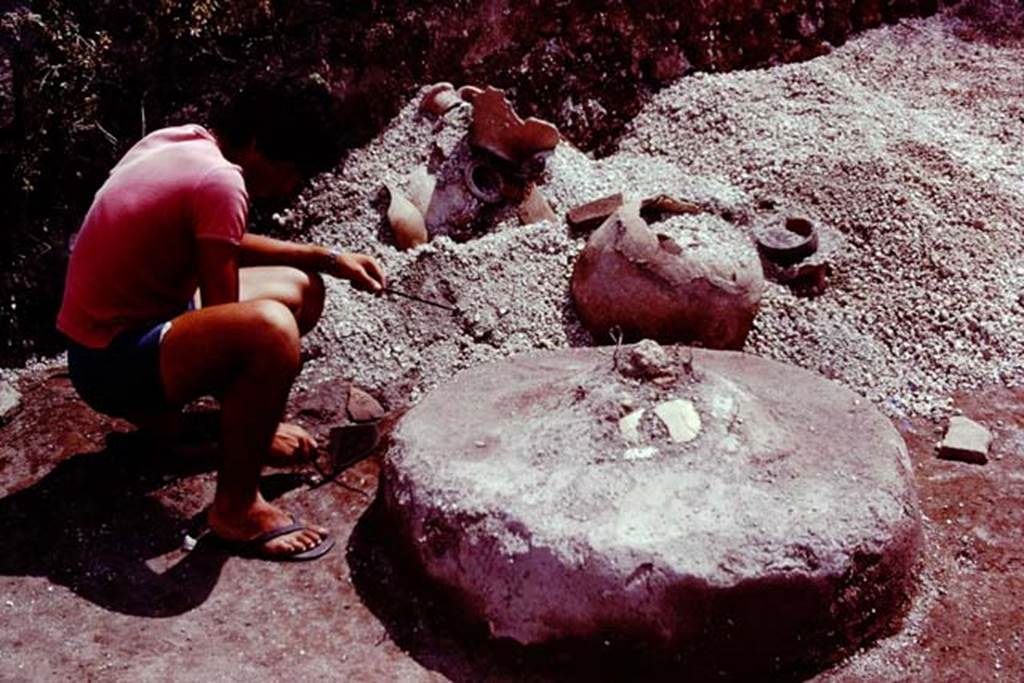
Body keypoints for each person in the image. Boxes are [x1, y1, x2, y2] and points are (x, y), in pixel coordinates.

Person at [56, 79, 386, 561]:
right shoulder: (224, 182)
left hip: (107, 344)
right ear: (257, 144)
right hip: (115, 363)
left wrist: (326, 258)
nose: (290, 185)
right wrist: (260, 434)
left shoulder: (180, 141)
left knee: (302, 286)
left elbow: (218, 240)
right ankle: (236, 508)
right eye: (290, 169)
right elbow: (225, 319)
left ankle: (167, 429)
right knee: (271, 331)